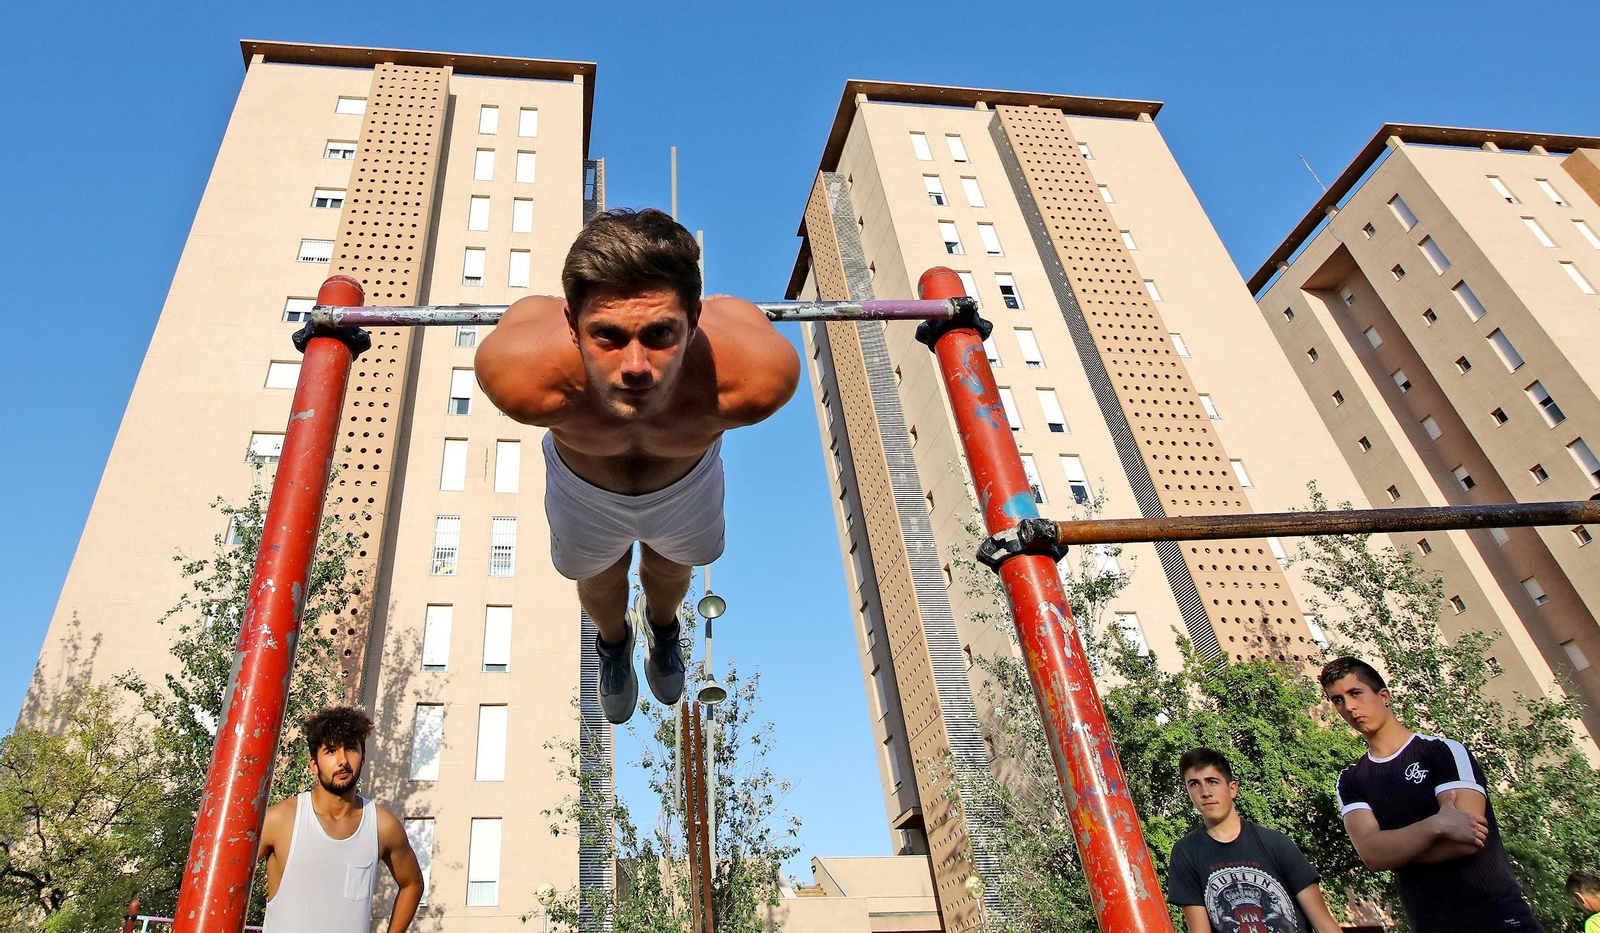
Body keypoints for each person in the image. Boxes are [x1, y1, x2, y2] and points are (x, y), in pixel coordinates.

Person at [477, 208, 799, 723]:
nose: (634, 367)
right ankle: (613, 643)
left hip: (686, 486)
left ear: (694, 320)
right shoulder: (521, 374)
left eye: (659, 335)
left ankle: (663, 627)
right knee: (599, 576)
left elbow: (727, 314)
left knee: (671, 568)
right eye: (607, 336)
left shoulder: (754, 377)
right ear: (570, 324)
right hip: (584, 490)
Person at [1320, 656, 1544, 933]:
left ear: (1384, 696)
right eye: (1338, 700)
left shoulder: (1442, 752)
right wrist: (1436, 824)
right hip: (1430, 923)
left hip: (1498, 919)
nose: (1349, 706)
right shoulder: (1352, 780)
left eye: (1355, 693)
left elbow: (1467, 838)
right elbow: (1373, 856)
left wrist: (1395, 849)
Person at [260, 706, 424, 933]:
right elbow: (226, 879)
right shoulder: (280, 820)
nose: (343, 761)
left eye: (350, 748)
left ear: (363, 757)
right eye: (330, 751)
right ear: (314, 765)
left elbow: (412, 884)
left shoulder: (382, 826)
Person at [1166, 747, 1342, 933]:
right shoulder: (1186, 852)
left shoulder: (1275, 843)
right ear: (1188, 793)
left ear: (1232, 789)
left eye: (1212, 781)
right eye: (1194, 784)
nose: (1205, 792)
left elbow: (1324, 924)